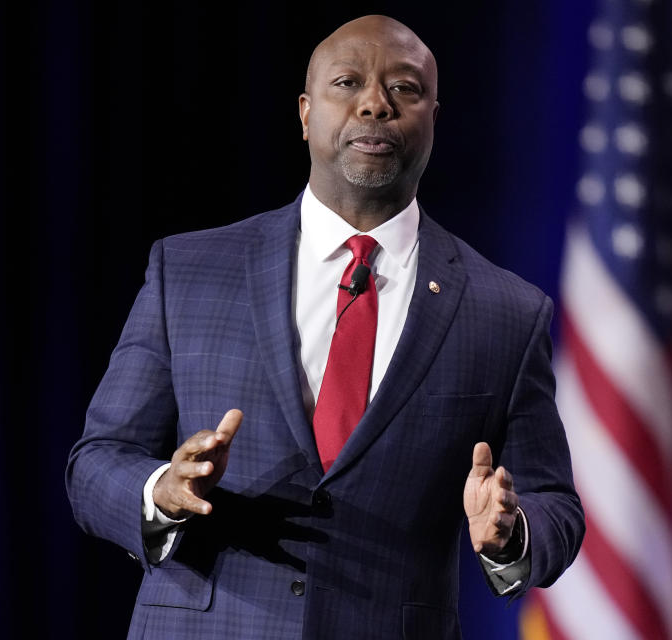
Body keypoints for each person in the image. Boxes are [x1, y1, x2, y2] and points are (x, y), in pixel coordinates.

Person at [66, 15, 583, 640]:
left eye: (405, 89)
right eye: (348, 82)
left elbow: (554, 502)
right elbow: (96, 463)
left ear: (434, 119)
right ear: (306, 113)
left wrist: (511, 530)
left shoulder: (506, 310)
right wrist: (162, 491)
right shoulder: (190, 270)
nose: (375, 104)